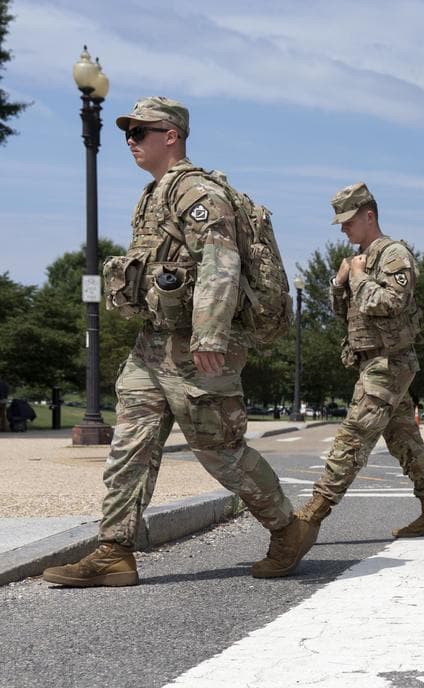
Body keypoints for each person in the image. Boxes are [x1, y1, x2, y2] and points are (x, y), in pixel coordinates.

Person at [43, 97, 314, 587]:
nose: (131, 139)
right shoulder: (152, 195)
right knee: (131, 444)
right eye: (128, 131)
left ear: (171, 136)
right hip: (153, 344)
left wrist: (210, 332)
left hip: (196, 346)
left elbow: (220, 261)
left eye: (141, 131)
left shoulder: (195, 190)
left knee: (219, 451)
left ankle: (287, 530)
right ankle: (115, 550)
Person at [294, 183, 424, 540]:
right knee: (404, 440)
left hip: (389, 361)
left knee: (354, 435)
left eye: (349, 221)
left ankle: (312, 515)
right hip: (371, 362)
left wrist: (360, 277)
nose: (344, 228)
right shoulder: (357, 260)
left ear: (369, 215)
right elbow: (345, 315)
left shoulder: (394, 255)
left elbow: (390, 303)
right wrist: (339, 283)